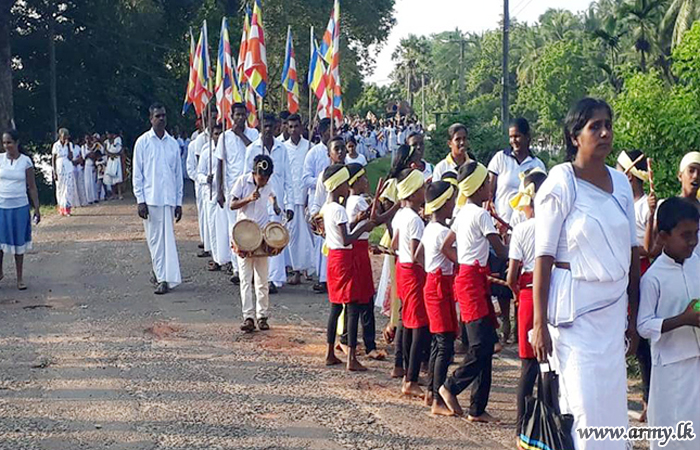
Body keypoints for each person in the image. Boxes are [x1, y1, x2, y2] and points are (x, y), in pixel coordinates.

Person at [531, 98, 639, 450]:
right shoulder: (561, 182)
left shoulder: (622, 184)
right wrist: (538, 324)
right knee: (583, 411)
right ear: (575, 136)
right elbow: (543, 258)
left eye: (607, 123)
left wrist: (633, 320)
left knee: (611, 411)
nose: (605, 132)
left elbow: (632, 254)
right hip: (574, 321)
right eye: (595, 126)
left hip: (612, 318)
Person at [438, 161, 506, 423]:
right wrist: (509, 240)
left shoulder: (463, 212)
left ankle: (477, 408)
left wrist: (465, 261)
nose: (490, 185)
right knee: (480, 346)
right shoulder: (480, 214)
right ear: (477, 187)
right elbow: (499, 251)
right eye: (486, 182)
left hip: (469, 278)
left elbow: (447, 247)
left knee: (486, 345)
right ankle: (451, 385)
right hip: (473, 283)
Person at [637, 197, 700, 450]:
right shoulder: (653, 277)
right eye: (685, 236)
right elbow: (644, 325)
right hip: (671, 365)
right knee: (672, 430)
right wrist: (681, 320)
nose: (693, 242)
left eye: (696, 234)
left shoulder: (697, 265)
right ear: (663, 236)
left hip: (697, 361)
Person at [321, 163, 375, 371]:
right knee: (352, 308)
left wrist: (357, 221)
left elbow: (341, 232)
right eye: (344, 183)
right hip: (345, 258)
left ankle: (329, 353)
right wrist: (365, 226)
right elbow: (347, 239)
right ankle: (352, 357)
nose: (347, 187)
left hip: (334, 259)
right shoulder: (340, 210)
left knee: (335, 307)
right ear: (337, 186)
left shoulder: (329, 209)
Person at [505, 169, 547, 429]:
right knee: (549, 366)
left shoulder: (520, 230)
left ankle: (522, 426)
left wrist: (516, 294)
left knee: (528, 366)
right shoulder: (556, 225)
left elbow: (511, 276)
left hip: (528, 297)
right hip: (550, 296)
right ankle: (545, 424)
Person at [616, 149, 653, 422]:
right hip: (623, 273)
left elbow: (651, 248)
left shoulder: (644, 206)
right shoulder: (621, 203)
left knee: (641, 342)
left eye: (619, 168)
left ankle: (649, 399)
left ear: (629, 175)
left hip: (640, 273)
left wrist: (630, 250)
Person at [132, 103, 184, 295]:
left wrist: (179, 202)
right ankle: (161, 275)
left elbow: (178, 175)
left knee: (167, 241)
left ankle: (163, 277)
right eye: (157, 116)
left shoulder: (172, 144)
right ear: (150, 119)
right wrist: (140, 200)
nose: (161, 119)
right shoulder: (143, 142)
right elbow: (137, 174)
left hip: (168, 200)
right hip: (151, 199)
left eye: (163, 115)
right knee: (155, 241)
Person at [418, 180, 458, 416]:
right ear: (443, 204)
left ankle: (431, 392)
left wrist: (430, 268)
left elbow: (417, 255)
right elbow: (455, 256)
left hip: (432, 282)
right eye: (451, 200)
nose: (454, 204)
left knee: (437, 342)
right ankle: (437, 399)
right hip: (440, 284)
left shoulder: (429, 228)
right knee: (444, 344)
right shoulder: (443, 232)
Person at [339, 163, 385, 360]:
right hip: (358, 251)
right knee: (363, 298)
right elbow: (376, 221)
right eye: (364, 178)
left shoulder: (352, 201)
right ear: (356, 181)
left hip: (358, 250)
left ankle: (354, 340)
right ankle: (366, 344)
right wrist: (395, 206)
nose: (367, 181)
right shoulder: (357, 201)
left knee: (361, 297)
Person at [244, 114, 292, 293]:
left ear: (277, 127)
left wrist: (289, 204)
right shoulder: (252, 149)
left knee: (274, 239)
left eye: (272, 126)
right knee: (257, 241)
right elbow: (246, 179)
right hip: (258, 203)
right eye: (265, 126)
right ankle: (257, 279)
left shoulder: (282, 149)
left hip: (277, 202)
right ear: (259, 126)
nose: (268, 129)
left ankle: (274, 279)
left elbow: (287, 178)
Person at [392, 168, 428, 398]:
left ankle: (405, 368)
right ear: (413, 194)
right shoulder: (415, 220)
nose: (425, 192)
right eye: (422, 188)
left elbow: (395, 243)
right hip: (414, 271)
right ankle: (410, 379)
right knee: (418, 326)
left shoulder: (400, 215)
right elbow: (417, 253)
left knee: (406, 320)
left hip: (401, 269)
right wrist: (430, 265)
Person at [230, 155, 276, 332]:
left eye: (266, 178)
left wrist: (275, 203)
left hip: (262, 235)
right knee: (245, 278)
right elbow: (232, 204)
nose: (263, 182)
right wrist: (248, 199)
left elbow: (271, 195)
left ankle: (262, 316)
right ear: (254, 173)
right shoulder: (242, 181)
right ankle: (248, 316)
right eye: (260, 178)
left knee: (262, 278)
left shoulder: (268, 185)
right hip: (244, 234)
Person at [216, 103, 259, 283]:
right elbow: (220, 164)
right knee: (234, 229)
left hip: (251, 189)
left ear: (247, 115)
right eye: (237, 115)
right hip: (232, 191)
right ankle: (237, 268)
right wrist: (219, 190)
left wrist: (241, 135)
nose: (240, 118)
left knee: (252, 228)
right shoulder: (224, 137)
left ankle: (253, 267)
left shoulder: (254, 134)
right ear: (231, 116)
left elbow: (256, 151)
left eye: (243, 115)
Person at [0, 130, 40, 290]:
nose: (6, 146)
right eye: (4, 143)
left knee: (18, 244)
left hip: (19, 206)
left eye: (9, 142)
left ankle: (19, 278)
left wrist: (36, 207)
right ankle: (0, 271)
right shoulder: (0, 160)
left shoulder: (26, 162)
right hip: (2, 205)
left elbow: (31, 187)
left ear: (17, 143)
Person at [284, 113, 314, 285]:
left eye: (296, 126)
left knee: (309, 235)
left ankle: (308, 268)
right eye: (291, 127)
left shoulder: (309, 147)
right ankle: (296, 270)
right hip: (290, 198)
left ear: (301, 127)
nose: (294, 130)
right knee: (294, 236)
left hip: (307, 198)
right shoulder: (283, 147)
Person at [303, 118, 332, 293]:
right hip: (319, 199)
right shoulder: (313, 153)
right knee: (321, 242)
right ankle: (322, 278)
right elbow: (306, 179)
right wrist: (324, 181)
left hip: (336, 202)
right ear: (321, 132)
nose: (332, 133)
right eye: (329, 130)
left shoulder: (339, 152)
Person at [197, 124, 227, 271]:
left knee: (226, 228)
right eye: (216, 134)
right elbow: (199, 173)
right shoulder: (206, 152)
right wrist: (205, 179)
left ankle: (228, 259)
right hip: (210, 193)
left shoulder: (227, 150)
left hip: (225, 193)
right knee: (213, 228)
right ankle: (216, 258)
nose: (218, 136)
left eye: (220, 133)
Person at [52, 128, 76, 216]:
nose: (65, 137)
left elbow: (71, 157)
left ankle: (67, 208)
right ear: (60, 136)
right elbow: (53, 159)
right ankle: (61, 207)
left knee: (68, 188)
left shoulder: (69, 145)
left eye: (66, 136)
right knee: (60, 188)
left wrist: (68, 146)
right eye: (63, 136)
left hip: (68, 167)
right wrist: (54, 172)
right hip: (59, 168)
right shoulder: (56, 145)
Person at [104, 132, 125, 200]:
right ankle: (113, 194)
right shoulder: (106, 142)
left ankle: (120, 194)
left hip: (116, 160)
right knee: (111, 177)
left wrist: (114, 154)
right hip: (110, 160)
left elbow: (120, 151)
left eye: (108, 134)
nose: (108, 135)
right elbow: (106, 151)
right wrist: (111, 154)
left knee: (118, 177)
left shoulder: (117, 140)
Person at [81, 135, 98, 205]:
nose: (88, 140)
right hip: (87, 166)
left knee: (93, 182)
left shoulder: (94, 146)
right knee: (88, 183)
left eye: (89, 139)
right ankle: (89, 199)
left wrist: (91, 154)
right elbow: (84, 156)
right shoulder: (83, 147)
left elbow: (96, 155)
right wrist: (90, 154)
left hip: (93, 165)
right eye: (86, 139)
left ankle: (95, 198)